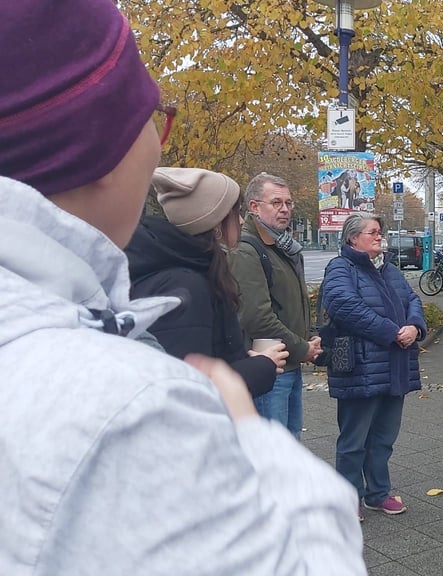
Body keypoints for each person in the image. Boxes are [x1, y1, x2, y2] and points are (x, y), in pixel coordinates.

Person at [0, 1, 365, 573]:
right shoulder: (137, 409)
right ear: (101, 142)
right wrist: (244, 432)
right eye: (153, 118)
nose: (157, 147)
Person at [126, 167, 288, 398]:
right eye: (235, 213)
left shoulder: (187, 269)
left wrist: (243, 360)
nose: (242, 220)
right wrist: (262, 366)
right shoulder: (188, 285)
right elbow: (189, 387)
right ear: (215, 224)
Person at [320, 214, 427, 519]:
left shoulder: (389, 270)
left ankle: (378, 493)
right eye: (373, 233)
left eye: (380, 232)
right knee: (354, 439)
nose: (380, 237)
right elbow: (344, 306)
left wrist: (414, 326)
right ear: (353, 238)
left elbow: (412, 300)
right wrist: (391, 331)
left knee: (383, 437)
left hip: (394, 365)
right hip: (360, 367)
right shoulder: (341, 268)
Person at [230, 172, 322, 439]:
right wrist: (302, 346)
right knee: (273, 453)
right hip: (270, 368)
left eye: (288, 203)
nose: (285, 209)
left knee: (289, 446)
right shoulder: (247, 249)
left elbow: (293, 304)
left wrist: (310, 337)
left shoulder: (282, 246)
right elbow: (257, 317)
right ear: (253, 207)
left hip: (288, 364)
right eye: (276, 203)